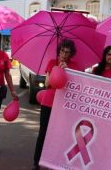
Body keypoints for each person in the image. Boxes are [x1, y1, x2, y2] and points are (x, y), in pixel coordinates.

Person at [33, 39, 80, 170]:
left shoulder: (75, 66)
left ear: (71, 54)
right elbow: (48, 84)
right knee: (43, 133)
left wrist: (68, 71)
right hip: (48, 102)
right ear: (59, 51)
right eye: (62, 51)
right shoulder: (51, 63)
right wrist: (57, 71)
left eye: (67, 52)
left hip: (64, 105)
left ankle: (53, 162)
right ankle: (36, 162)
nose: (64, 54)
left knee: (59, 134)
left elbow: (77, 86)